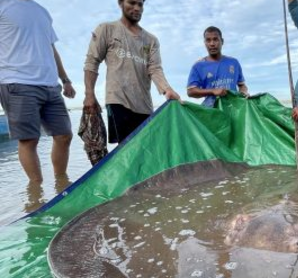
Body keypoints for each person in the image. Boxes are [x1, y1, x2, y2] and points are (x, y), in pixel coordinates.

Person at [83, 0, 181, 144]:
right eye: (132, 3)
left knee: (146, 149)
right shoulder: (107, 29)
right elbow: (92, 61)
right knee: (126, 149)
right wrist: (89, 94)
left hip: (144, 105)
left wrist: (167, 90)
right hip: (117, 100)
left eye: (140, 4)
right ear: (120, 3)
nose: (137, 8)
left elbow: (154, 68)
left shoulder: (151, 40)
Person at [0, 0, 76, 183]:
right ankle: (37, 193)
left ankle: (61, 184)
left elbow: (51, 48)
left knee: (64, 135)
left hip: (50, 84)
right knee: (29, 140)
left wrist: (65, 80)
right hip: (16, 82)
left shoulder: (42, 11)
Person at [187, 26, 249, 108]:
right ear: (205, 43)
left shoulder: (234, 62)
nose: (212, 44)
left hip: (234, 108)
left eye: (215, 39)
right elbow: (191, 91)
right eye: (208, 40)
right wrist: (213, 91)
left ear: (222, 41)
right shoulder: (198, 66)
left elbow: (242, 85)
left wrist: (243, 92)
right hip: (212, 111)